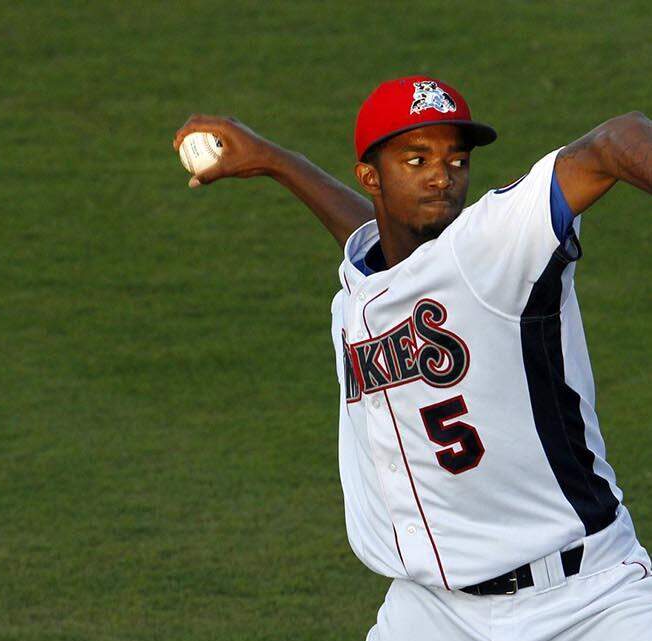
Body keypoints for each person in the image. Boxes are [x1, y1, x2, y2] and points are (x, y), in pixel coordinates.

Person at [173, 76, 652, 640]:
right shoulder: (368, 282)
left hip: (586, 599)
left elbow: (616, 140)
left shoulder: (495, 244)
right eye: (416, 158)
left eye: (456, 158)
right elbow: (387, 249)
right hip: (433, 613)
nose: (441, 175)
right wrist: (278, 162)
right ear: (371, 177)